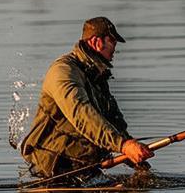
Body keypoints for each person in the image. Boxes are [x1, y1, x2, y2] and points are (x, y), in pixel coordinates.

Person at [20, 17, 153, 181]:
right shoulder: (63, 71)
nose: (115, 49)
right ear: (97, 42)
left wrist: (130, 148)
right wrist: (122, 145)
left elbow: (112, 117)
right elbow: (82, 113)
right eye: (112, 42)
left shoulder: (96, 75)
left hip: (82, 166)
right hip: (53, 168)